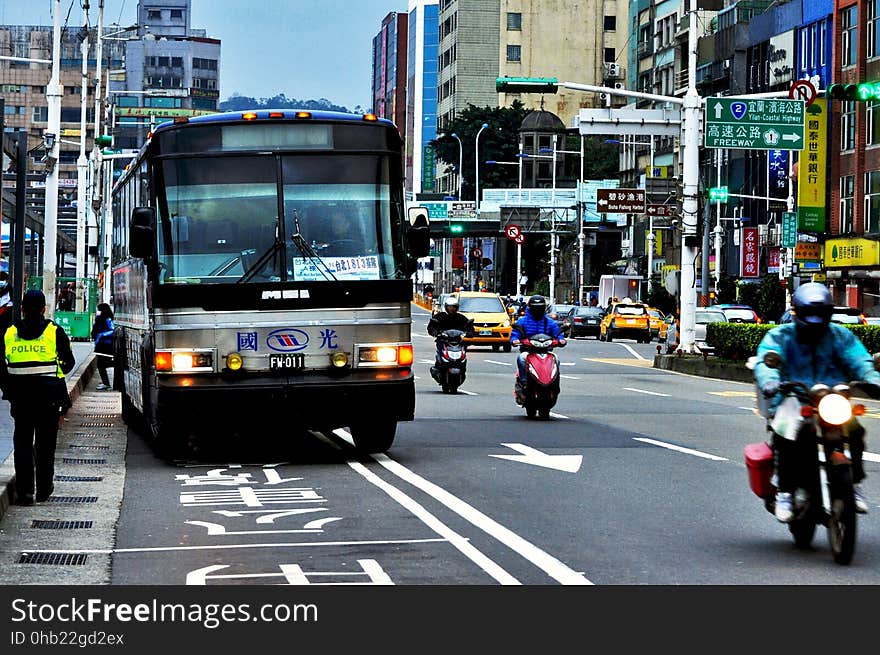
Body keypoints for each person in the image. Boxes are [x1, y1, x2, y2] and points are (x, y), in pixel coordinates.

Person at [754, 283, 880, 522]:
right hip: (792, 397)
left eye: (821, 315)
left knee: (855, 430)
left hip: (833, 397)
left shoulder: (840, 336)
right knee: (787, 435)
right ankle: (785, 491)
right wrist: (770, 381)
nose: (815, 322)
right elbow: (767, 360)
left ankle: (853, 483)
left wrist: (872, 378)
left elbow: (859, 359)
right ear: (797, 313)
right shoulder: (781, 336)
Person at [0, 290, 75, 506]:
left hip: (20, 399)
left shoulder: (9, 333)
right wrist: (53, 373)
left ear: (21, 308)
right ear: (44, 309)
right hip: (48, 398)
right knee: (45, 444)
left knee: (22, 443)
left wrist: (10, 388)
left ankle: (24, 493)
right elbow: (68, 362)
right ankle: (43, 489)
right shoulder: (54, 332)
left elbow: (1, 369)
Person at [510, 295, 566, 392]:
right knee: (522, 358)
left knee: (556, 359)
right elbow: (515, 334)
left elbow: (557, 333)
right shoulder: (522, 321)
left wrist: (561, 340)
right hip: (528, 351)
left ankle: (555, 385)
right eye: (535, 307)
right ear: (530, 308)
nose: (537, 310)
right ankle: (524, 382)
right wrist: (514, 340)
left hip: (546, 351)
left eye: (540, 307)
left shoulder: (549, 322)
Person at [91, 302, 115, 391]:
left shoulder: (107, 319)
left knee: (101, 364)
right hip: (100, 345)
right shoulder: (99, 319)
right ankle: (105, 383)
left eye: (99, 310)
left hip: (105, 346)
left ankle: (106, 384)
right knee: (101, 364)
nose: (97, 311)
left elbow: (112, 330)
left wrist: (102, 335)